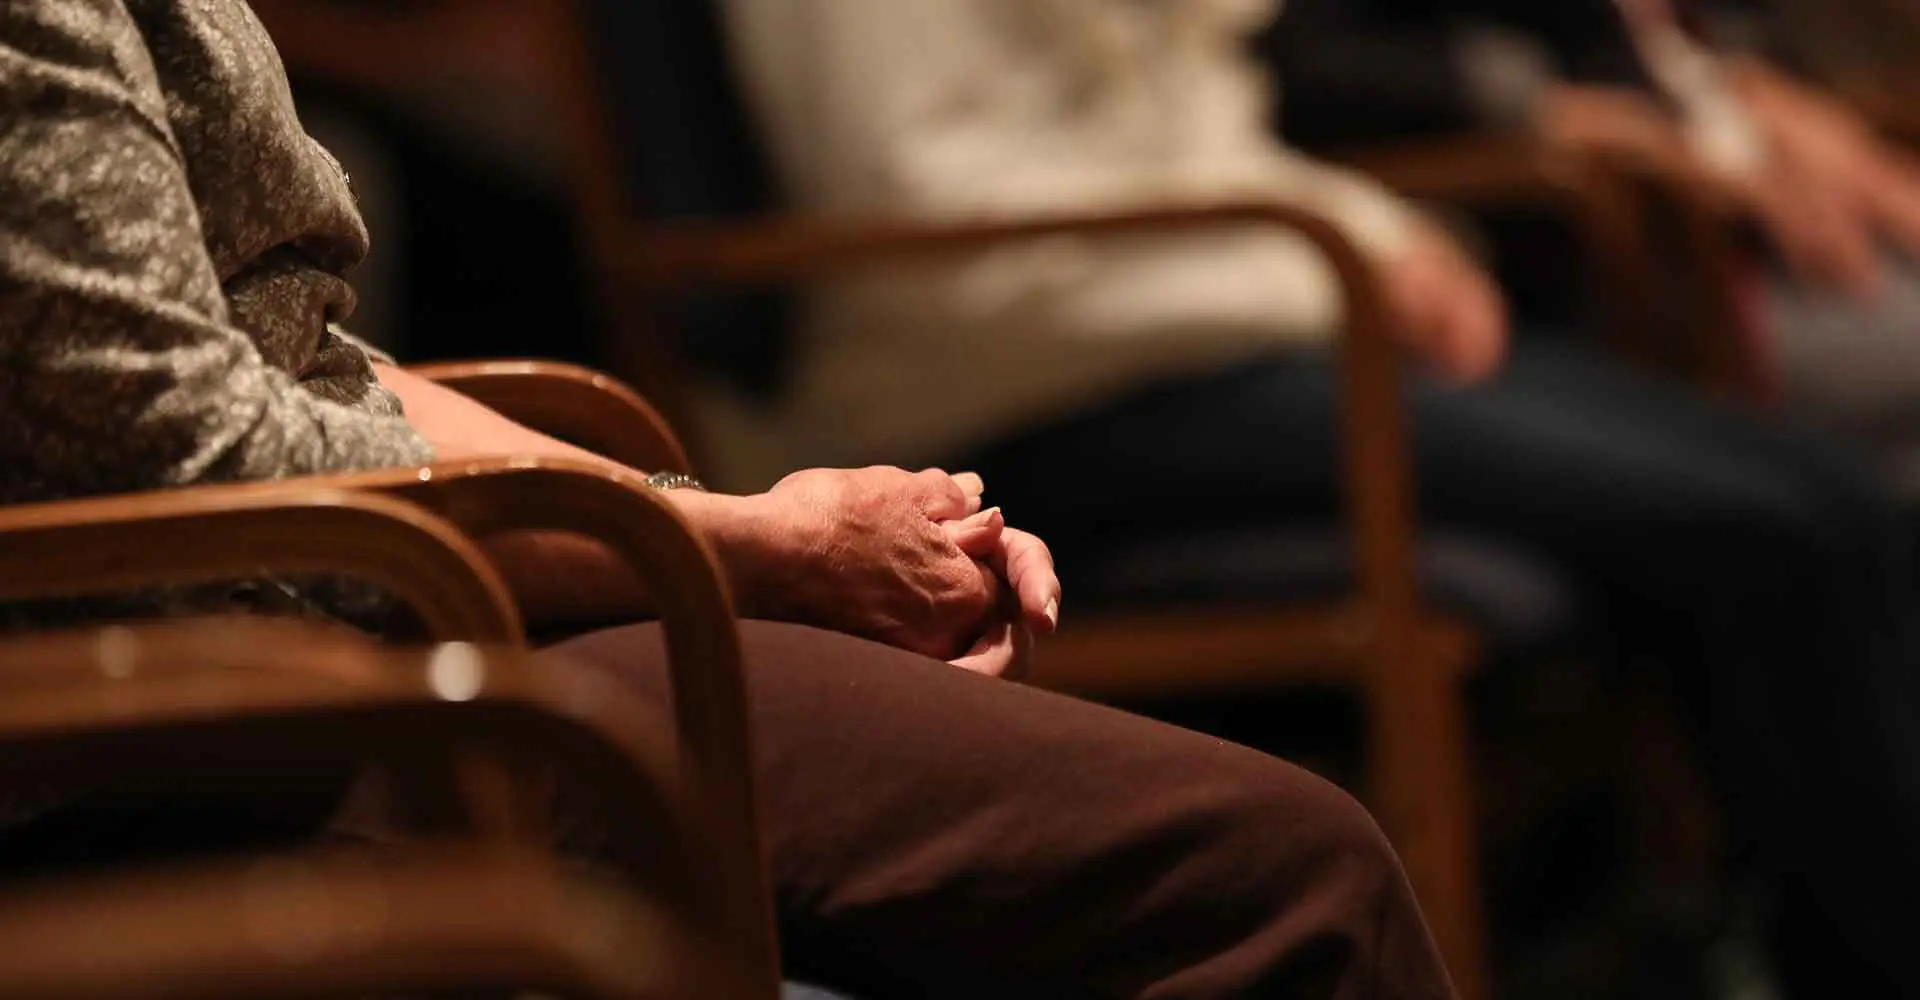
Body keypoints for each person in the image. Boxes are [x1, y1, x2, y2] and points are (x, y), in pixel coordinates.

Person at [0, 2, 1462, 997]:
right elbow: (194, 457)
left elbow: (302, 369)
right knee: (1290, 879)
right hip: (168, 724)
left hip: (310, 637)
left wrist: (718, 519)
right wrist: (749, 550)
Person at [712, 0, 1920, 995]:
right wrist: (1324, 260)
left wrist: (1368, 227)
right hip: (1009, 388)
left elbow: (1197, 121)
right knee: (1780, 525)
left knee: (1806, 497)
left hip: (1214, 312)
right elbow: (941, 222)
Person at [1272, 0, 1920, 494]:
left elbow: (1679, 61)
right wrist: (1545, 110)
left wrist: (1756, 94)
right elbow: (1310, 64)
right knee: (1802, 497)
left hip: (1787, 237)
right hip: (1670, 281)